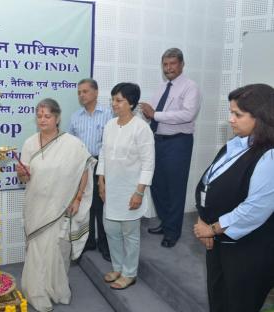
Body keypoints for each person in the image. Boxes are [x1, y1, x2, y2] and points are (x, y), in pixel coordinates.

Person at [193, 84, 274, 312]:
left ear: (261, 117)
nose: (230, 119)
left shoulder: (269, 156)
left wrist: (214, 228)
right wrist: (201, 218)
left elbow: (255, 209)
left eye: (237, 114)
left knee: (238, 304)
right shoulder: (236, 145)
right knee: (218, 299)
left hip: (248, 253)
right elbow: (206, 184)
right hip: (220, 244)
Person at [17, 98, 96, 312]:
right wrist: (21, 174)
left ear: (57, 118)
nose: (42, 119)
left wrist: (78, 197)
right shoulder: (29, 143)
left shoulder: (72, 144)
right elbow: (24, 177)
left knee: (57, 250)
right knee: (36, 249)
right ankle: (36, 293)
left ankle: (56, 289)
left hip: (60, 207)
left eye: (47, 116)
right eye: (39, 115)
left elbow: (84, 171)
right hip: (36, 207)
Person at [139, 48, 201, 247]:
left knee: (175, 188)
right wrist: (149, 113)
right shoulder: (162, 87)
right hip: (158, 141)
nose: (168, 68)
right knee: (157, 185)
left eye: (172, 64)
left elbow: (187, 115)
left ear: (182, 64)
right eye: (165, 64)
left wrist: (154, 114)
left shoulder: (191, 87)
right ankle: (166, 223)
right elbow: (155, 113)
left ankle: (173, 232)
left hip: (179, 142)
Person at [97, 83, 155, 289]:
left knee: (130, 233)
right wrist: (100, 180)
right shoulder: (110, 125)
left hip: (131, 189)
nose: (114, 104)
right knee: (111, 229)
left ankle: (130, 273)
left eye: (119, 100)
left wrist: (139, 192)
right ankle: (118, 266)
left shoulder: (142, 128)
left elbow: (148, 163)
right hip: (111, 188)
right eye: (113, 99)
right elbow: (103, 153)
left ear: (131, 103)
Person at [69, 78, 113, 261]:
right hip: (82, 165)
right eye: (79, 92)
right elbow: (70, 143)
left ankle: (104, 244)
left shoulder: (109, 114)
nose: (81, 95)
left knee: (101, 206)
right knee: (86, 205)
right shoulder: (75, 117)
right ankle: (88, 241)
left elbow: (111, 142)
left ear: (96, 92)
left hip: (102, 163)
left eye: (85, 91)